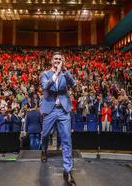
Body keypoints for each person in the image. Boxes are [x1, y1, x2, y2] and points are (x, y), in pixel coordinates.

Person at [40, 52, 76, 186]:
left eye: (60, 59)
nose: (57, 60)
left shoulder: (65, 74)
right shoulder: (45, 74)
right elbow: (46, 86)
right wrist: (57, 73)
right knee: (44, 135)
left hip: (63, 110)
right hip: (49, 110)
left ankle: (68, 170)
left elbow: (74, 84)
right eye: (55, 58)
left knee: (67, 139)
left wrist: (64, 71)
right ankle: (44, 150)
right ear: (51, 61)